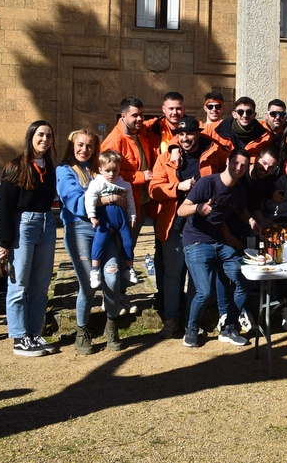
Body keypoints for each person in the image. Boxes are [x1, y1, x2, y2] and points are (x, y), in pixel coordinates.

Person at [149, 116, 230, 339]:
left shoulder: (213, 153)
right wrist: (178, 186)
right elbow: (154, 190)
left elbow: (228, 175)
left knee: (198, 277)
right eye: (181, 134)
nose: (185, 138)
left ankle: (192, 321)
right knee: (173, 275)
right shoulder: (166, 157)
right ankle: (172, 319)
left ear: (198, 133)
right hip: (174, 225)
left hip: (202, 227)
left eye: (190, 133)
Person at [177, 148, 262, 348]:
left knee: (244, 281)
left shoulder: (239, 190)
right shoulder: (208, 183)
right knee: (204, 292)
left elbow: (241, 211)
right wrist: (198, 208)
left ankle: (229, 327)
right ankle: (191, 327)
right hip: (196, 241)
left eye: (243, 165)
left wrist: (251, 221)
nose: (239, 168)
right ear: (227, 161)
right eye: (236, 163)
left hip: (220, 242)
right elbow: (182, 210)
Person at [58, 130, 129, 353]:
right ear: (72, 145)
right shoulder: (65, 171)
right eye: (80, 145)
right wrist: (109, 198)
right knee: (89, 285)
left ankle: (111, 326)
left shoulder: (99, 170)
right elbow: (76, 202)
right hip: (79, 230)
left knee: (113, 278)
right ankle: (82, 331)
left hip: (105, 230)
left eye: (89, 146)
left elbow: (124, 194)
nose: (84, 150)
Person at [0, 121, 58, 356]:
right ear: (31, 136)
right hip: (23, 225)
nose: (45, 139)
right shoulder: (15, 167)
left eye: (49, 136)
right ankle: (19, 337)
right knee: (19, 283)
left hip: (47, 224)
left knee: (41, 284)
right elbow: (5, 207)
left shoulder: (49, 166)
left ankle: (34, 333)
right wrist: (4, 242)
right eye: (40, 134)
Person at [102, 97, 154, 244]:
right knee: (121, 247)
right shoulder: (114, 141)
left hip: (141, 202)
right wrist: (141, 176)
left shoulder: (139, 131)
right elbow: (109, 175)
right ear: (123, 116)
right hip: (123, 205)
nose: (140, 119)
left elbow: (153, 122)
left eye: (142, 115)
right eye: (135, 115)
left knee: (129, 246)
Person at [84, 150, 138, 288]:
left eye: (115, 170)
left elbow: (130, 202)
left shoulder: (125, 184)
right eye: (108, 170)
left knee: (128, 242)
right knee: (100, 241)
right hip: (105, 219)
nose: (112, 174)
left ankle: (129, 269)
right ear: (100, 169)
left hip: (121, 219)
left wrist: (132, 216)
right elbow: (90, 198)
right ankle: (95, 270)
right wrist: (92, 216)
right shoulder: (97, 183)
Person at [204, 96, 273, 158]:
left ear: (254, 115)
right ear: (234, 114)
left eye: (249, 112)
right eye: (240, 112)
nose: (245, 115)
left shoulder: (265, 137)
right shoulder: (213, 130)